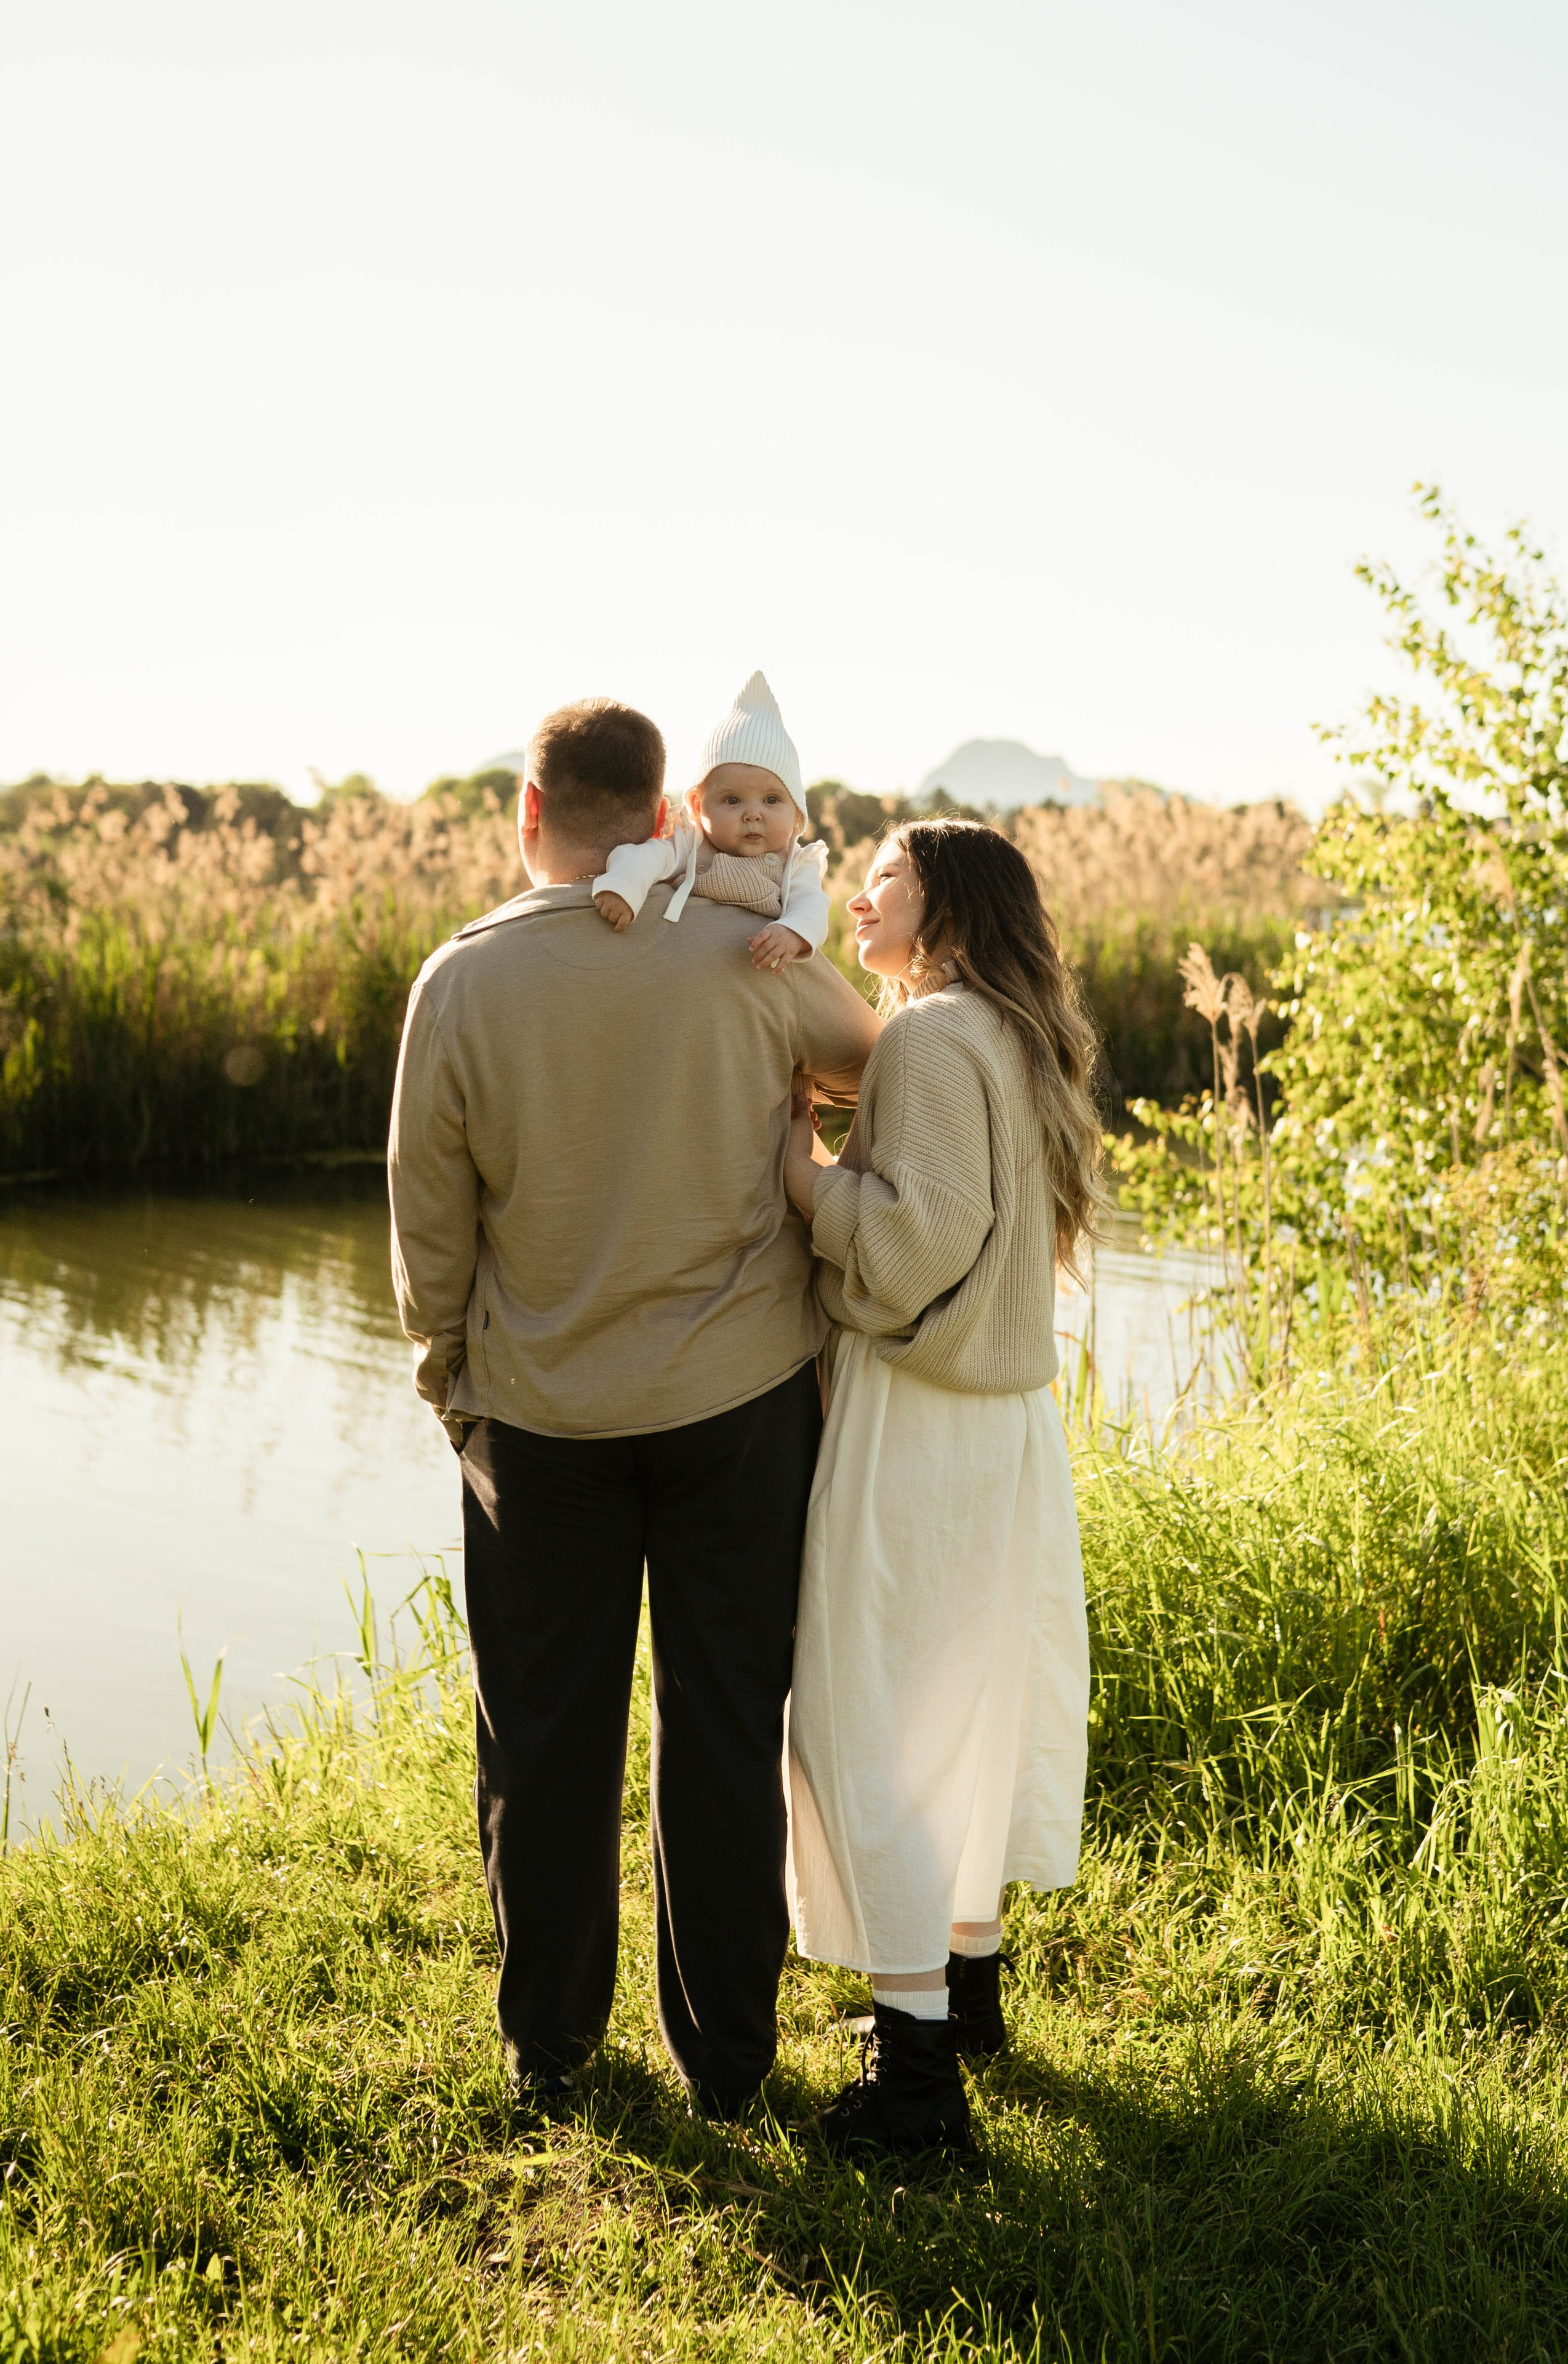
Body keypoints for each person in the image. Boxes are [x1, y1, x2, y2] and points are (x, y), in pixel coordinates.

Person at [388, 695, 879, 2120]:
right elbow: (873, 1064)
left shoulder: (461, 978)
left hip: (536, 1421)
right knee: (723, 1723)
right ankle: (724, 2059)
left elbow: (430, 1228)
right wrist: (793, 1101)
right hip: (738, 1405)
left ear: (527, 815)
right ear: (666, 813)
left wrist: (452, 1388)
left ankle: (550, 2048)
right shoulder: (750, 952)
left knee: (543, 1734)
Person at [782, 818, 1106, 2155]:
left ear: (948, 906)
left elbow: (914, 1243)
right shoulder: (1012, 1035)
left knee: (874, 1720)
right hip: (1007, 1433)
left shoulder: (923, 1036)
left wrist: (803, 1184)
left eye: (885, 880)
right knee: (967, 1706)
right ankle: (962, 1984)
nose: (859, 895)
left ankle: (913, 2086)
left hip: (914, 1427)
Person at [591, 672, 830, 974]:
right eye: (732, 800)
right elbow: (647, 855)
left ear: (796, 810)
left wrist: (793, 932)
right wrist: (625, 886)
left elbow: (812, 906)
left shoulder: (796, 864)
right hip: (682, 965)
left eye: (772, 800)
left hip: (751, 972)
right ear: (696, 805)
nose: (753, 814)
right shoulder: (691, 843)